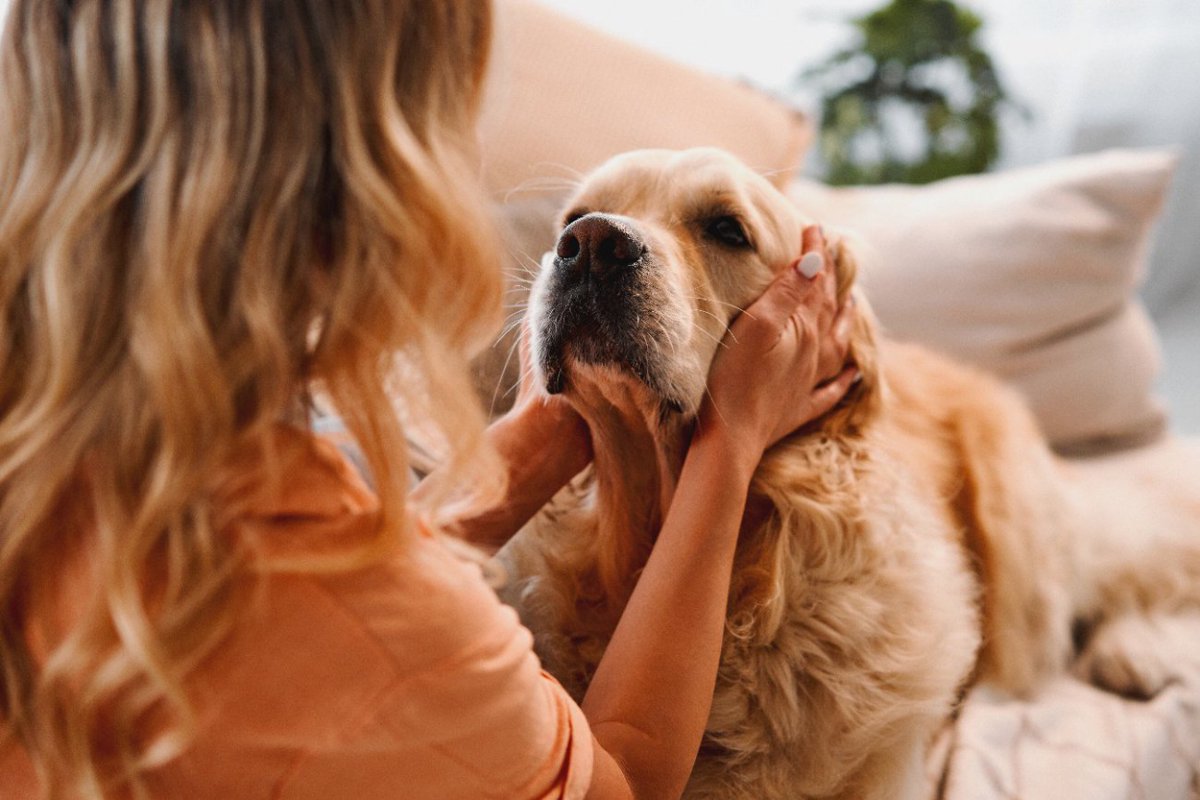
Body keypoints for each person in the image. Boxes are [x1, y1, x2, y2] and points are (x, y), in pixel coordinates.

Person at [0, 2, 854, 798]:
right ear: (371, 198)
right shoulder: (399, 643)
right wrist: (729, 442)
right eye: (447, 125)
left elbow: (340, 583)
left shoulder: (74, 454)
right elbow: (618, 771)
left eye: (720, 231)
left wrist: (536, 442)